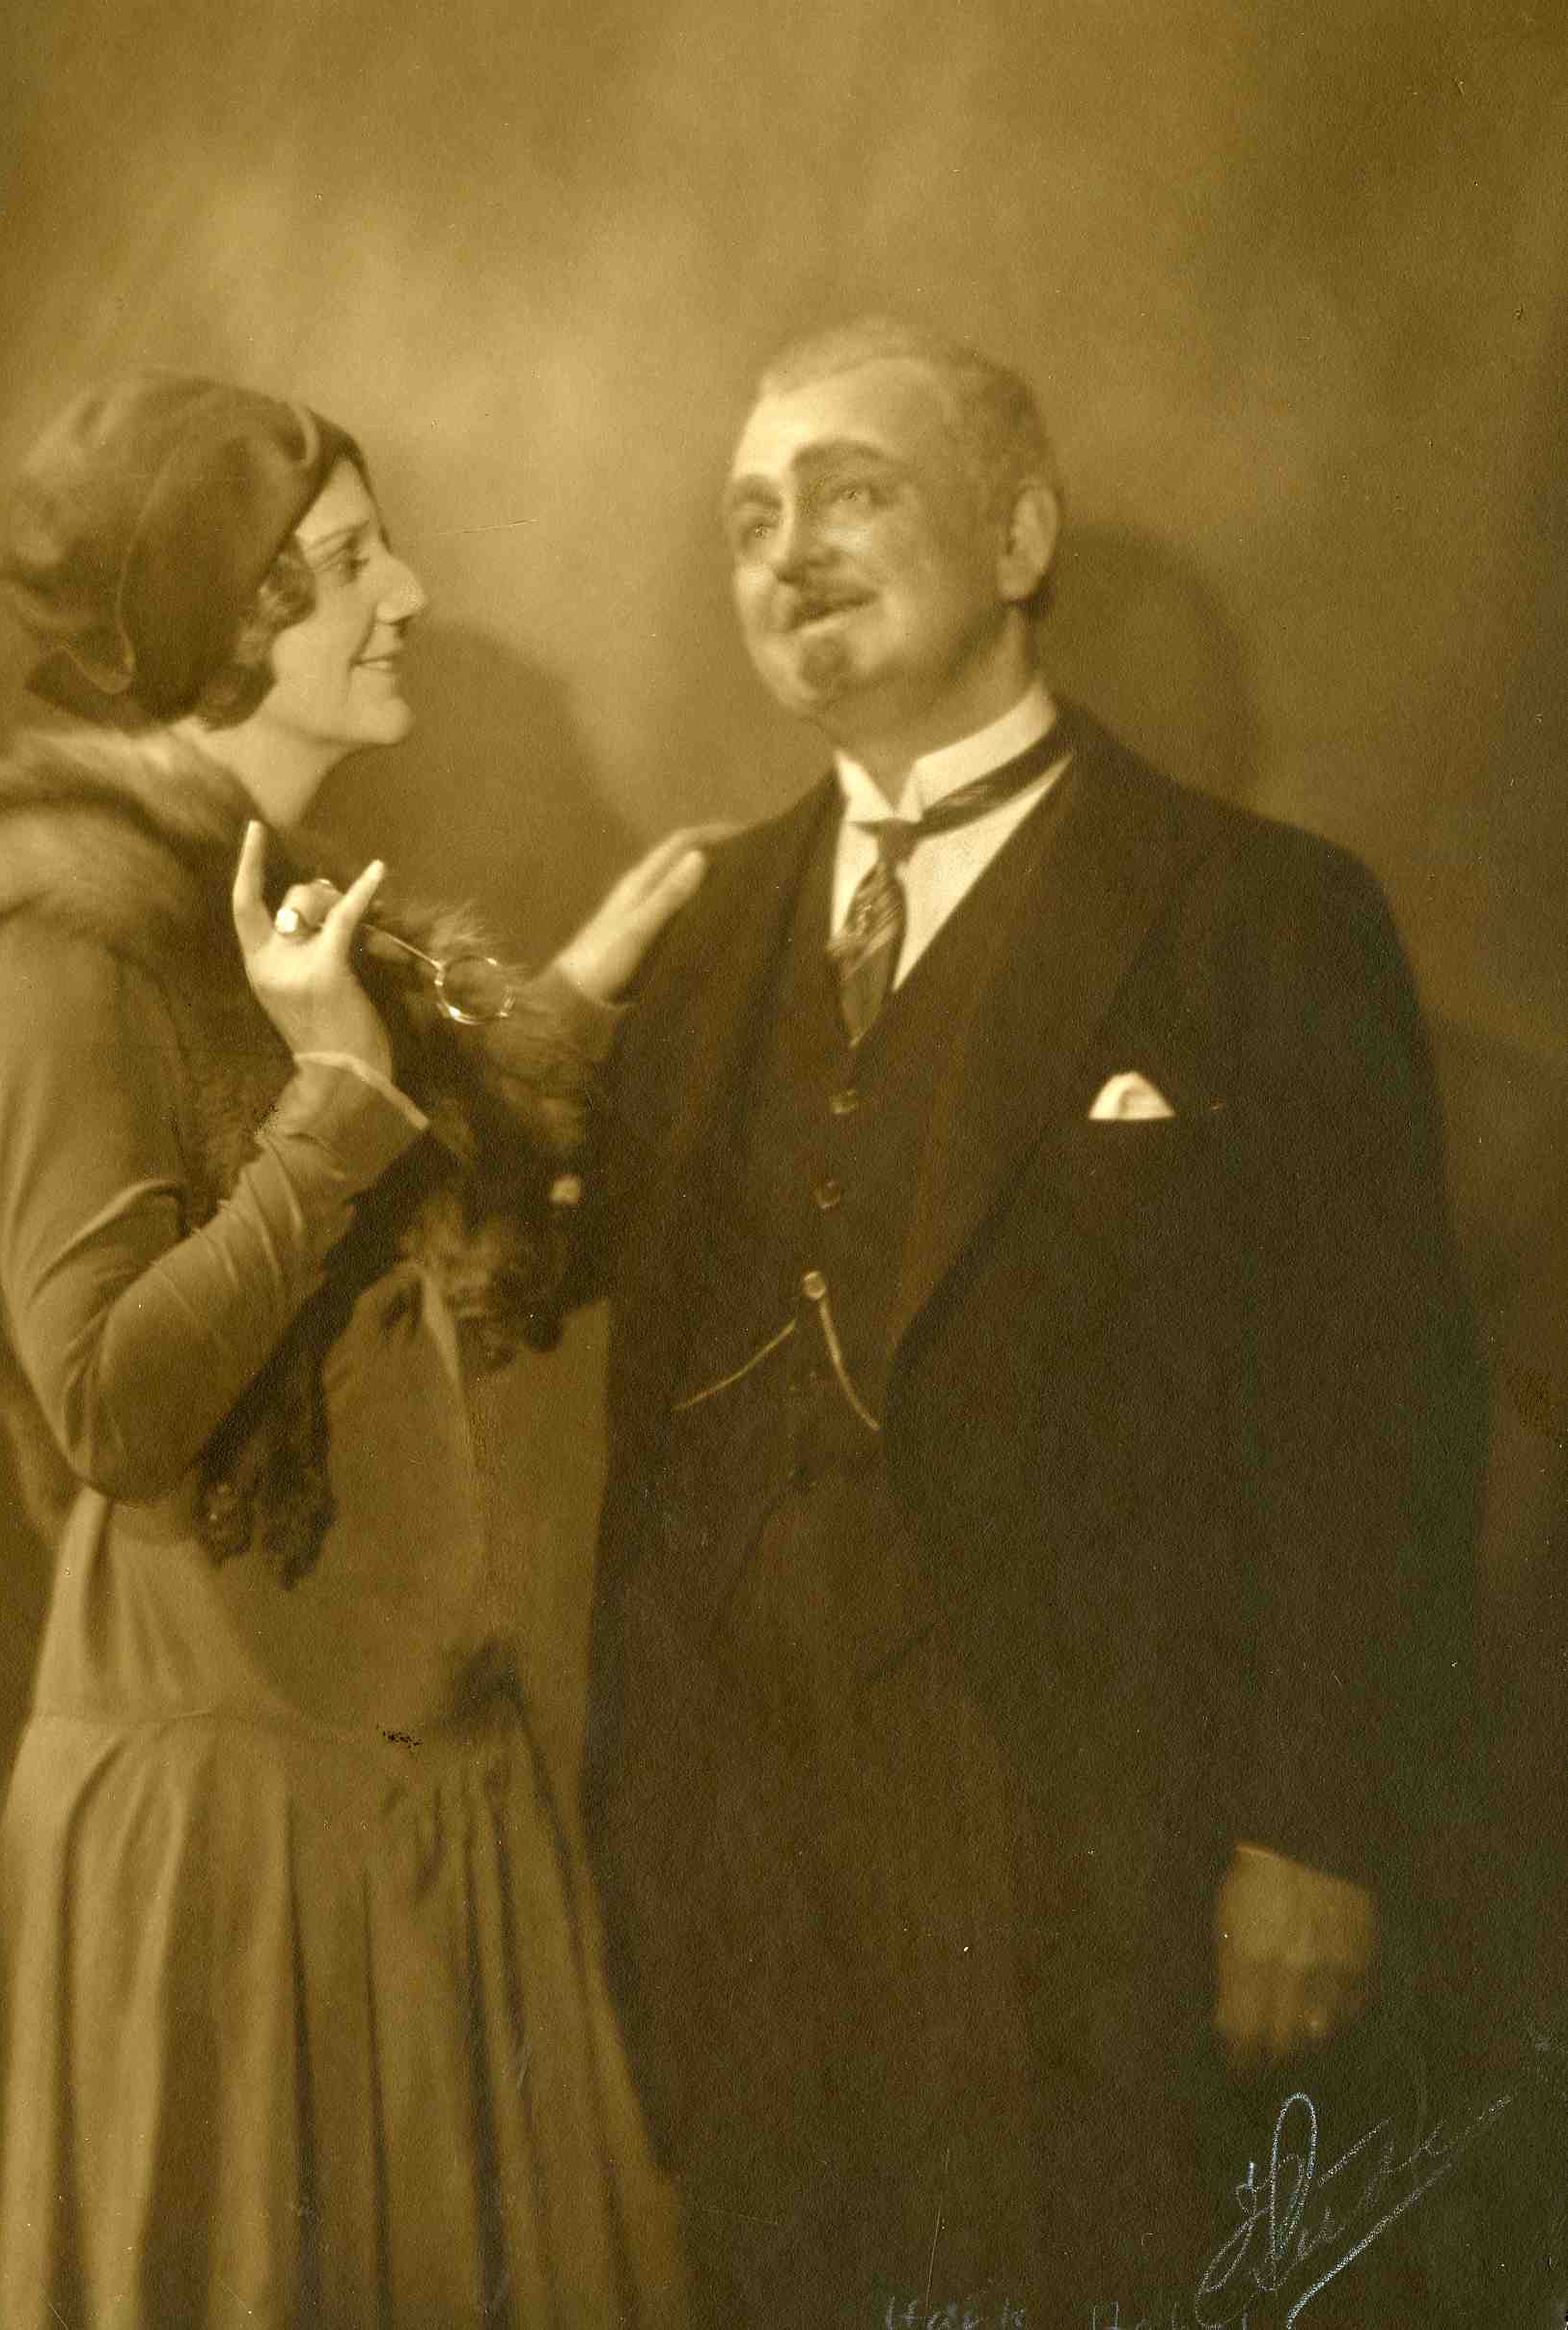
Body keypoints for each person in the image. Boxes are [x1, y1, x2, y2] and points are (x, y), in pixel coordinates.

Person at [572, 319, 1485, 2323]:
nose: (788, 549)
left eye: (850, 492)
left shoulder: (1257, 914)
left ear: (1016, 537)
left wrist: (1312, 1829)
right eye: (749, 518)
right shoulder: (696, 934)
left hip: (1098, 1857)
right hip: (737, 1868)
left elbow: (1375, 1415)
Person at [0, 371, 704, 2329]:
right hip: (236, 1829)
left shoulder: (285, 899)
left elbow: (411, 1258)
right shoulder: (61, 936)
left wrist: (552, 1023)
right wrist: (332, 1104)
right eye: (342, 563)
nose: (406, 594)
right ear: (220, 620)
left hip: (393, 1773)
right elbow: (110, 1402)